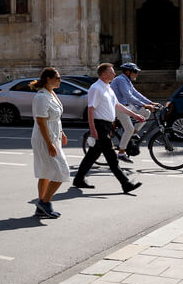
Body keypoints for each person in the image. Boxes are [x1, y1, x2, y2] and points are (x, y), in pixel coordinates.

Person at [72, 62, 144, 193]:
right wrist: (92, 129)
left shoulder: (108, 87)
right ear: (103, 74)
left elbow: (117, 105)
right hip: (100, 126)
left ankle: (78, 179)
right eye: (111, 72)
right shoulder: (96, 88)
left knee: (92, 155)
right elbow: (90, 109)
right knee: (111, 157)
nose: (114, 74)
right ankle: (125, 183)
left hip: (107, 125)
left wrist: (135, 115)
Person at [31, 68, 70, 218]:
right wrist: (49, 143)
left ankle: (41, 207)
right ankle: (45, 202)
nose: (60, 80)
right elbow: (41, 121)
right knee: (62, 172)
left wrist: (61, 133)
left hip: (53, 136)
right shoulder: (41, 97)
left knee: (45, 172)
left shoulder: (51, 94)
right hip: (44, 139)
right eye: (58, 78)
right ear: (48, 79)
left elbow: (54, 118)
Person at [110, 62, 159, 161]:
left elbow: (136, 93)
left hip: (127, 106)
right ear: (128, 72)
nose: (136, 74)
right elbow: (129, 96)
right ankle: (121, 153)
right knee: (128, 129)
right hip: (118, 107)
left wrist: (150, 103)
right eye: (135, 72)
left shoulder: (127, 81)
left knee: (146, 113)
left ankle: (133, 133)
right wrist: (145, 104)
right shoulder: (121, 80)